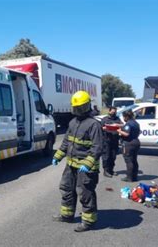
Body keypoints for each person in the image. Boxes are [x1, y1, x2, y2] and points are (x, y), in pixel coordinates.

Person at [52, 90, 103, 232]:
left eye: (81, 108)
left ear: (87, 106)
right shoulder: (72, 122)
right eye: (76, 108)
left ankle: (88, 222)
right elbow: (66, 142)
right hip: (71, 165)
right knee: (66, 189)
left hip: (87, 168)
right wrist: (58, 155)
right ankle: (67, 215)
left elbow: (97, 147)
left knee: (85, 193)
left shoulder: (94, 124)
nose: (78, 111)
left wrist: (87, 163)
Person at [116, 110, 140, 182]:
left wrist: (119, 131)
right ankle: (134, 176)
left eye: (124, 117)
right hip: (136, 142)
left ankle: (129, 177)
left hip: (128, 143)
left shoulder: (128, 124)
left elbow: (126, 134)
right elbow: (139, 132)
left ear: (126, 116)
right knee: (134, 160)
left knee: (129, 160)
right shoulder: (136, 123)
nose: (123, 118)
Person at [101, 106, 122, 178]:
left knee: (113, 156)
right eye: (113, 112)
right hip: (106, 140)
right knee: (106, 156)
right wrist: (104, 128)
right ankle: (106, 171)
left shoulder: (117, 119)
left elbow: (122, 125)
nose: (114, 113)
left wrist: (117, 125)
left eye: (115, 112)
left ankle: (111, 170)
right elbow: (100, 128)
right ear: (109, 111)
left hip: (115, 140)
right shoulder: (105, 119)